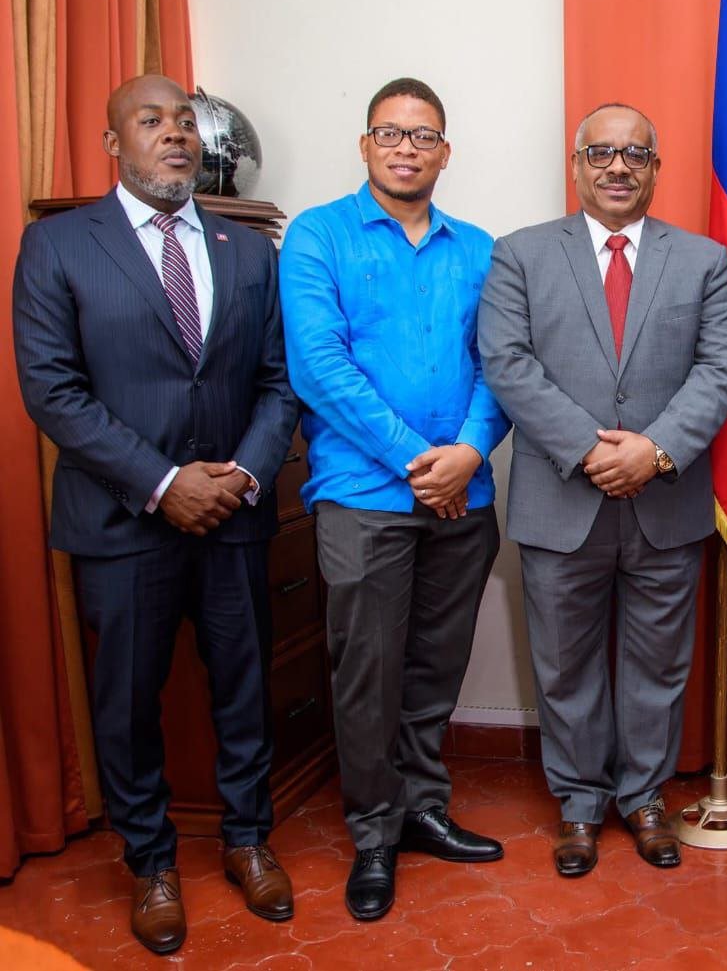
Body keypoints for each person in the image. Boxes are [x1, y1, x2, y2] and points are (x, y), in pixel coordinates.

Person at [12, 75, 298, 954]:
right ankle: (151, 861)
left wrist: (243, 477)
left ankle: (249, 839)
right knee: (126, 702)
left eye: (184, 122)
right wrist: (166, 482)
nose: (174, 135)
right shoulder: (58, 246)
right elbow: (52, 391)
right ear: (112, 144)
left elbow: (278, 382)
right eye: (150, 121)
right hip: (121, 520)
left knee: (243, 688)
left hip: (235, 518)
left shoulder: (248, 250)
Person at [478, 103, 727, 877]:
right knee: (564, 665)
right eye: (601, 153)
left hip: (666, 500)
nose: (618, 166)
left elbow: (722, 366)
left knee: (659, 664)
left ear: (657, 168)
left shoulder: (703, 261)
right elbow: (508, 363)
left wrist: (655, 451)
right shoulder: (520, 255)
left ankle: (646, 798)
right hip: (562, 498)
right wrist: (591, 451)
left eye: (635, 154)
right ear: (576, 165)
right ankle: (579, 804)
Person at [279, 78, 510, 922]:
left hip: (465, 495)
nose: (406, 147)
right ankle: (373, 832)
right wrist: (424, 460)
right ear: (366, 144)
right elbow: (319, 368)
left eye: (424, 135)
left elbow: (501, 364)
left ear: (445, 151)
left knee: (433, 665)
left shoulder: (482, 248)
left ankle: (421, 806)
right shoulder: (316, 238)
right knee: (367, 670)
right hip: (363, 495)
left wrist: (472, 451)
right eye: (390, 132)